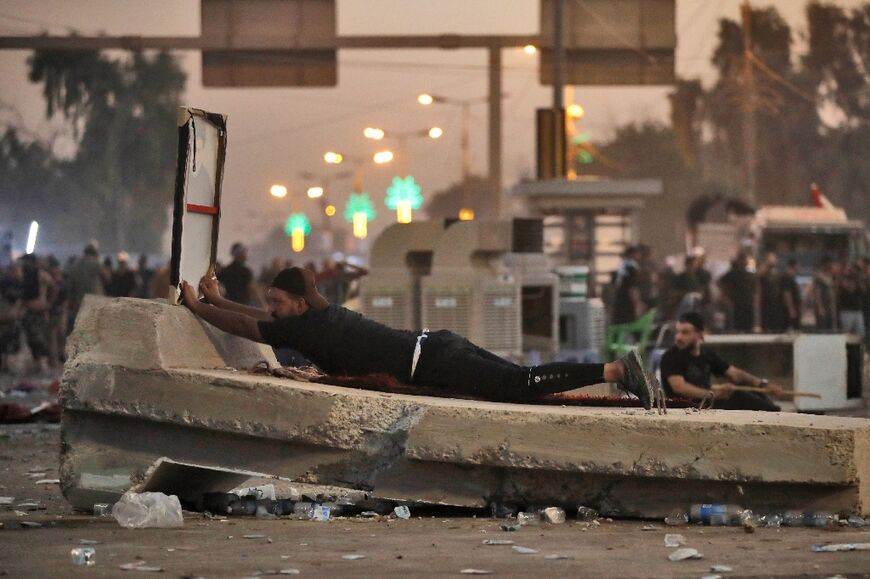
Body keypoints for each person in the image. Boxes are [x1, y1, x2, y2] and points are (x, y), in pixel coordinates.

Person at [180, 267, 665, 409]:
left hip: (434, 362)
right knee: (520, 380)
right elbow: (256, 319)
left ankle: (617, 371)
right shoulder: (315, 314)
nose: (271, 309)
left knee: (523, 384)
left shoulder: (304, 323)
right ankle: (618, 371)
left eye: (278, 301)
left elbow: (250, 328)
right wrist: (216, 299)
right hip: (436, 346)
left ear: (299, 303)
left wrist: (199, 306)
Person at [659, 312, 783, 411]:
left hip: (707, 403)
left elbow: (735, 375)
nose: (678, 337)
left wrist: (764, 385)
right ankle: (775, 414)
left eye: (685, 332)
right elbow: (679, 387)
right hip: (687, 408)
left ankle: (774, 412)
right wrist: (713, 394)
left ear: (700, 335)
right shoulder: (671, 356)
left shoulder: (707, 355)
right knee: (737, 396)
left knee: (747, 388)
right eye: (678, 332)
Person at [66, 243, 105, 335]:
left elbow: (70, 287)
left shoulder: (75, 266)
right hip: (95, 302)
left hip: (79, 303)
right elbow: (106, 277)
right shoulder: (96, 263)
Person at [717, 252, 755, 332]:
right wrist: (726, 293)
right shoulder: (733, 274)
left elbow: (755, 288)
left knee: (748, 326)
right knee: (738, 326)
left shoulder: (750, 275)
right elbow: (719, 282)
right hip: (737, 303)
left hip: (748, 302)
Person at [811, 256, 838, 331]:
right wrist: (820, 307)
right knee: (823, 328)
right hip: (823, 306)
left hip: (830, 306)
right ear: (825, 264)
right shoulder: (819, 276)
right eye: (829, 264)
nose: (830, 266)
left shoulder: (831, 276)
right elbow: (817, 293)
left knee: (831, 328)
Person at [780, 259, 802, 330]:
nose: (799, 267)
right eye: (798, 265)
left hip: (794, 308)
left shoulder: (791, 277)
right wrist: (791, 309)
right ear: (794, 266)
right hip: (790, 310)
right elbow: (787, 293)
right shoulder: (787, 277)